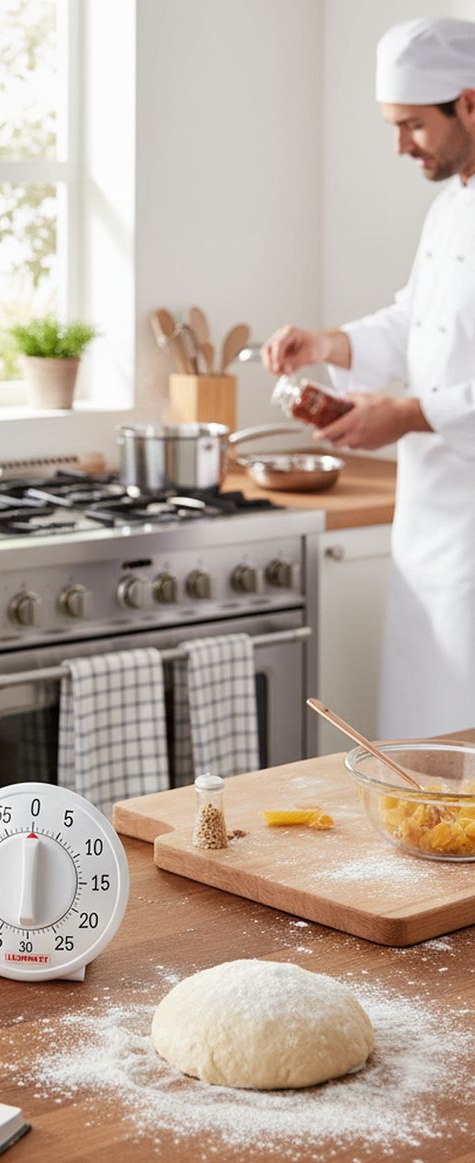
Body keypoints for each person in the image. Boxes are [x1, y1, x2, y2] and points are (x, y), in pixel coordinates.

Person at [263, 17, 475, 740]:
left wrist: (409, 414)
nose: (399, 146)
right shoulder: (450, 210)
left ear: (469, 104)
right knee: (421, 754)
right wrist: (329, 342)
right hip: (431, 529)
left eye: (412, 125)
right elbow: (414, 322)